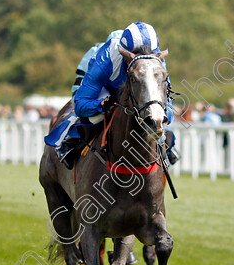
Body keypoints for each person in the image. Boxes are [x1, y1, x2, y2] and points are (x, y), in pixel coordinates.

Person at [63, 22, 175, 168]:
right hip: (105, 85)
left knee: (158, 115)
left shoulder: (156, 60)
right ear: (125, 55)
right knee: (94, 116)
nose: (144, 63)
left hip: (134, 87)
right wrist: (101, 105)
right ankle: (70, 143)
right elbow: (80, 105)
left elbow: (169, 106)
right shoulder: (105, 58)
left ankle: (170, 148)